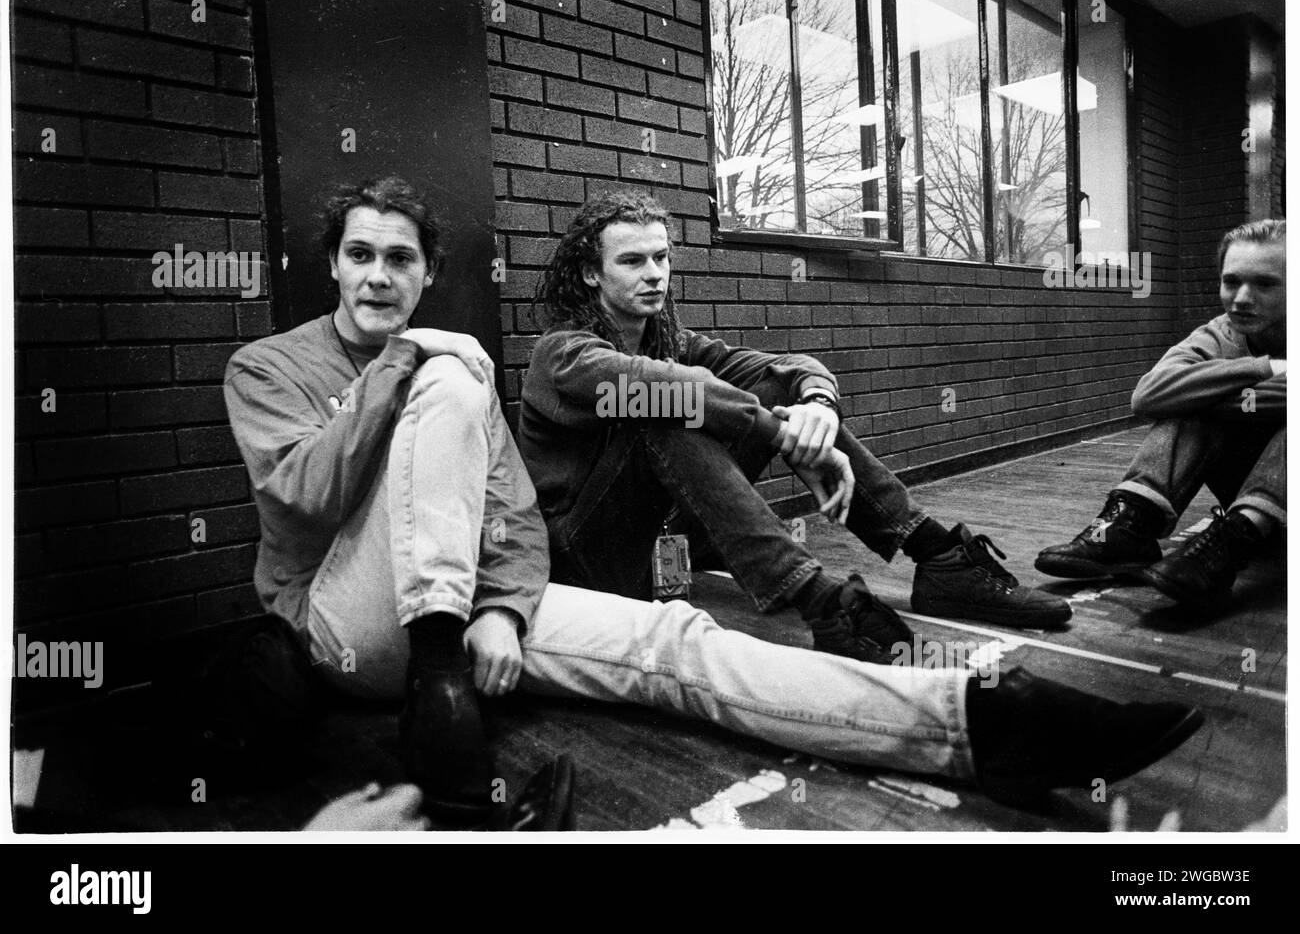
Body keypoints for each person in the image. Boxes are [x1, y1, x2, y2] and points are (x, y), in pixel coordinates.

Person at [222, 175, 1203, 822]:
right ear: (333, 266)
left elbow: (508, 515)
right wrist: (402, 365)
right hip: (351, 619)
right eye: (361, 256)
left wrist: (809, 402)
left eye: (402, 260)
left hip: (488, 604)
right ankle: (449, 701)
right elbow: (302, 502)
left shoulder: (561, 353)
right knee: (512, 375)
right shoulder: (275, 366)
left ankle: (976, 721)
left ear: (429, 270)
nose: (381, 277)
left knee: (678, 646)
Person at [518, 193, 1069, 666]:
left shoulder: (674, 344)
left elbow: (788, 368)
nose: (655, 273)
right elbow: (663, 390)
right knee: (665, 405)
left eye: (661, 257)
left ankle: (936, 556)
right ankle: (822, 603)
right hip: (590, 563)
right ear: (592, 273)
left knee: (767, 394)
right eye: (632, 261)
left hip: (668, 538)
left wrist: (817, 410)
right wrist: (778, 436)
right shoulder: (562, 355)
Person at [1036, 219, 1285, 608]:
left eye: (1265, 284)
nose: (1241, 298)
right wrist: (1264, 368)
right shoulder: (1220, 334)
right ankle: (1132, 526)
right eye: (1231, 281)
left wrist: (1207, 390)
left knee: (1199, 394)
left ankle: (1236, 536)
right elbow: (1148, 394)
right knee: (1185, 400)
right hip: (1256, 515)